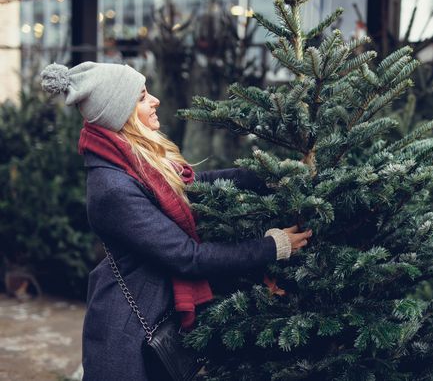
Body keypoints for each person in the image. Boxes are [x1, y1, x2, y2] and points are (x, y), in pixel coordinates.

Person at [40, 61, 313, 381]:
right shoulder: (113, 188)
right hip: (128, 335)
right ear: (121, 113)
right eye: (142, 97)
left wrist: (267, 175)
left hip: (153, 314)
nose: (154, 100)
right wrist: (272, 247)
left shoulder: (133, 161)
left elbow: (193, 185)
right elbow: (188, 258)